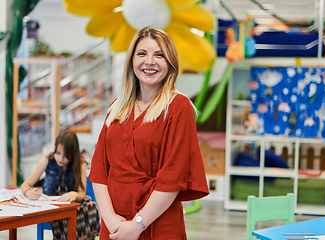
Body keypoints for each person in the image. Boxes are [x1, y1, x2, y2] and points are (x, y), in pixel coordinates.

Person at [89, 26, 209, 240]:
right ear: (131, 61)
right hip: (115, 225)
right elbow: (99, 170)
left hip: (156, 222)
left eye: (159, 55)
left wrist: (138, 224)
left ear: (170, 63)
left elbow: (174, 176)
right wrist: (110, 219)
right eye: (142, 53)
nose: (150, 61)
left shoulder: (178, 107)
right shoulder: (117, 108)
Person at [20, 131, 100, 240]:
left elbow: (82, 194)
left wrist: (74, 194)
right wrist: (27, 192)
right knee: (64, 217)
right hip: (52, 206)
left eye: (66, 156)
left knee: (91, 208)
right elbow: (25, 185)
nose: (61, 159)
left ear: (73, 153)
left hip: (73, 204)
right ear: (55, 148)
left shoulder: (80, 163)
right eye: (58, 153)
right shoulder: (48, 160)